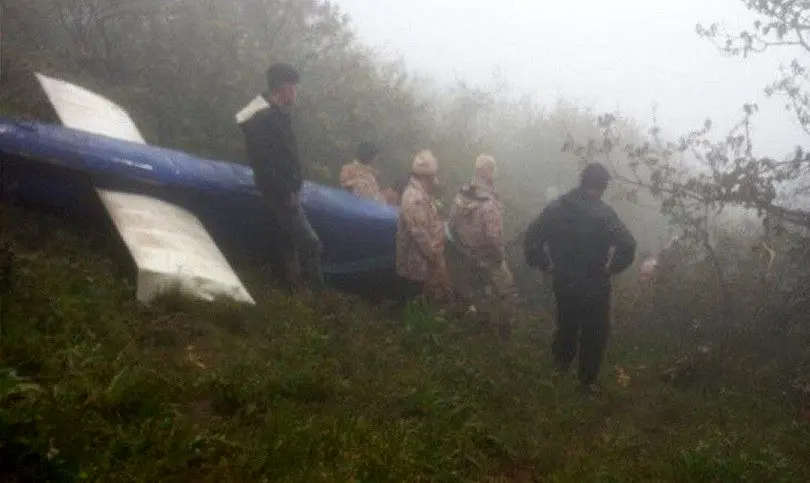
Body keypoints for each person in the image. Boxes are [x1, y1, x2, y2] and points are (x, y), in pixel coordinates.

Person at [523, 163, 636, 395]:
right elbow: (628, 245)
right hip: (595, 284)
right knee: (594, 333)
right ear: (603, 186)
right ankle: (586, 384)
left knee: (566, 325)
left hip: (563, 281)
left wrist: (545, 264)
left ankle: (558, 372)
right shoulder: (605, 214)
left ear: (582, 180)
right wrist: (611, 268)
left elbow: (532, 237)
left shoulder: (557, 207)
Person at [236, 63, 324, 292]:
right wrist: (286, 191)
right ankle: (318, 296)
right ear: (284, 88)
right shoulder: (263, 119)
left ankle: (293, 291)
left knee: (287, 242)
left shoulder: (276, 114)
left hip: (285, 190)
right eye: (294, 88)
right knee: (310, 243)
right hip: (280, 193)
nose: (295, 93)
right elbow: (263, 163)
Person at [446, 154, 517, 340]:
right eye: (494, 169)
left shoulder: (461, 194)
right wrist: (500, 256)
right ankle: (504, 332)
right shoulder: (488, 201)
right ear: (487, 171)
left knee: (477, 291)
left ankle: (477, 326)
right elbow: (494, 236)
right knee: (506, 291)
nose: (496, 173)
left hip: (465, 254)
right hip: (488, 256)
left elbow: (451, 224)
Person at [396, 149, 450, 303]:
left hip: (422, 266)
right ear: (427, 177)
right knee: (416, 306)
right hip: (416, 269)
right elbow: (421, 236)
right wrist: (438, 262)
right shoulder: (415, 199)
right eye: (434, 176)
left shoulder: (421, 195)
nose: (435, 180)